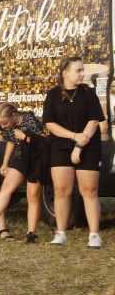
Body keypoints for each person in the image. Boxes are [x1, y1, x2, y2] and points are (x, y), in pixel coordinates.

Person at [42, 57, 105, 248]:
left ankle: (94, 235)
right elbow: (50, 124)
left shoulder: (88, 93)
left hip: (88, 146)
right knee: (62, 190)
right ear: (65, 73)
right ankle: (60, 233)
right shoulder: (52, 95)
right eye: (78, 70)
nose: (82, 74)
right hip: (61, 146)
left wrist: (79, 145)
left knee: (89, 190)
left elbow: (94, 120)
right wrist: (73, 137)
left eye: (82, 70)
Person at [0, 103, 48, 243]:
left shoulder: (30, 121)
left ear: (13, 115)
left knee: (32, 196)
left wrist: (25, 137)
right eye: (0, 124)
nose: (3, 126)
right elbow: (10, 142)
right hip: (20, 156)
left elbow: (44, 142)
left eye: (4, 123)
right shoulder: (8, 126)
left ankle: (31, 234)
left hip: (36, 158)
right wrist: (5, 162)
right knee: (6, 186)